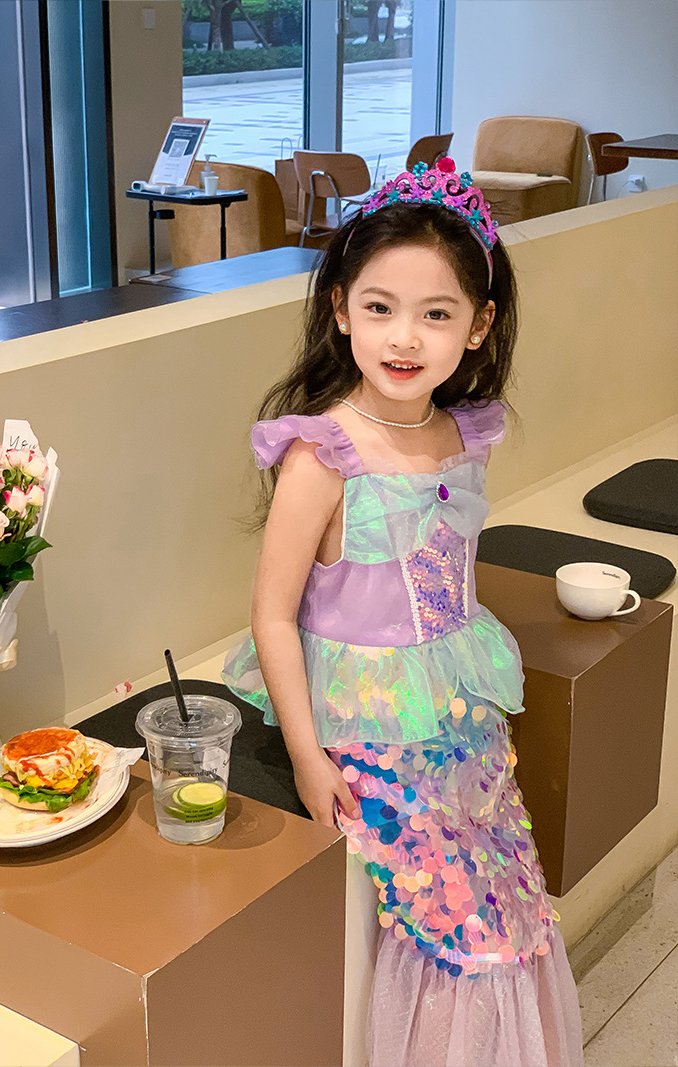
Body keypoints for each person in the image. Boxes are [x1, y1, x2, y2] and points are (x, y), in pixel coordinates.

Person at [222, 158, 584, 1067]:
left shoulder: (466, 433)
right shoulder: (322, 455)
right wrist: (307, 755)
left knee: (512, 898)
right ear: (340, 308)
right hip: (367, 727)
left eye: (436, 313)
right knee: (453, 922)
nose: (405, 337)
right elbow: (272, 615)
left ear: (479, 325)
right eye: (380, 307)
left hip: (460, 714)